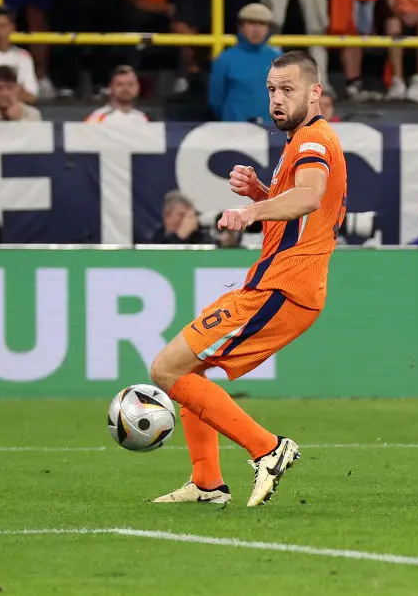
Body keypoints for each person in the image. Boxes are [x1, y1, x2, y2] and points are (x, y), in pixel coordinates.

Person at [149, 50, 348, 507]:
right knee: (188, 369)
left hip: (284, 287)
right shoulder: (303, 140)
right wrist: (263, 192)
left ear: (315, 92)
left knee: (165, 369)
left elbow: (310, 197)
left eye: (288, 89)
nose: (277, 99)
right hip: (278, 284)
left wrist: (251, 210)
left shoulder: (313, 141)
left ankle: (268, 448)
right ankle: (207, 483)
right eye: (272, 90)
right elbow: (309, 210)